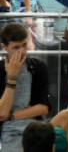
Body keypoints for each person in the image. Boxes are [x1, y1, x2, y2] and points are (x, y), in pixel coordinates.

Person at [0, 23, 50, 152]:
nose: (22, 51)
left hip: (35, 129)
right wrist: (12, 76)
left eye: (24, 45)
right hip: (8, 132)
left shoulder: (38, 67)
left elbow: (44, 108)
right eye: (16, 47)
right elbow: (2, 113)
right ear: (4, 47)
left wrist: (13, 115)